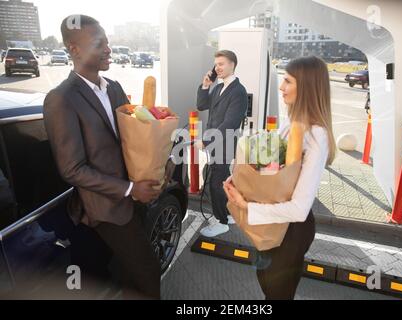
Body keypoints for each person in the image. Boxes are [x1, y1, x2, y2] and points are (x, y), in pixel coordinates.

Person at [43, 15, 172, 299]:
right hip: (106, 208)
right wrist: (128, 188)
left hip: (135, 198)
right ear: (74, 49)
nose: (109, 49)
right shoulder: (61, 99)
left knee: (128, 276)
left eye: (108, 42)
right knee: (148, 273)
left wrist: (162, 161)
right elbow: (72, 169)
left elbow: (134, 137)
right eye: (99, 43)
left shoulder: (112, 86)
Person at [224, 56, 336, 300]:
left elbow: (298, 209)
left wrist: (246, 205)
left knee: (277, 294)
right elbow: (271, 170)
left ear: (306, 87)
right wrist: (240, 180)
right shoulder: (291, 123)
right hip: (272, 224)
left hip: (291, 232)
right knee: (264, 279)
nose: (281, 87)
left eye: (287, 81)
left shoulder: (317, 136)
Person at [196, 50, 248, 237]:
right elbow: (201, 105)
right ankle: (227, 214)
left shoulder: (238, 91)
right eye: (216, 64)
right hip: (215, 144)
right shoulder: (218, 88)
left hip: (224, 144)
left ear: (232, 64)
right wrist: (205, 85)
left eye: (221, 64)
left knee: (215, 183)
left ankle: (221, 221)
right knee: (220, 181)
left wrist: (207, 139)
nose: (217, 67)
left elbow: (230, 123)